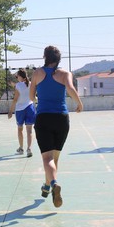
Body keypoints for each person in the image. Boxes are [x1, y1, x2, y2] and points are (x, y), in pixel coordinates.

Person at [29, 46, 83, 208]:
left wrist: (39, 95)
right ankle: (48, 186)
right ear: (59, 58)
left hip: (43, 118)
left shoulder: (37, 73)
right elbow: (70, 89)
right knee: (54, 158)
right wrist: (79, 103)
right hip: (61, 118)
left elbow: (31, 96)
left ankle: (53, 183)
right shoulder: (66, 73)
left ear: (45, 56)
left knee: (47, 158)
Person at [8, 69, 36, 157]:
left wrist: (10, 111)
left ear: (20, 76)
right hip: (30, 108)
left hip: (20, 110)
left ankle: (21, 148)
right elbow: (34, 97)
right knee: (29, 131)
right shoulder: (31, 84)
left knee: (20, 129)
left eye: (17, 76)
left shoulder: (18, 85)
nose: (17, 78)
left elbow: (15, 99)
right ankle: (29, 149)